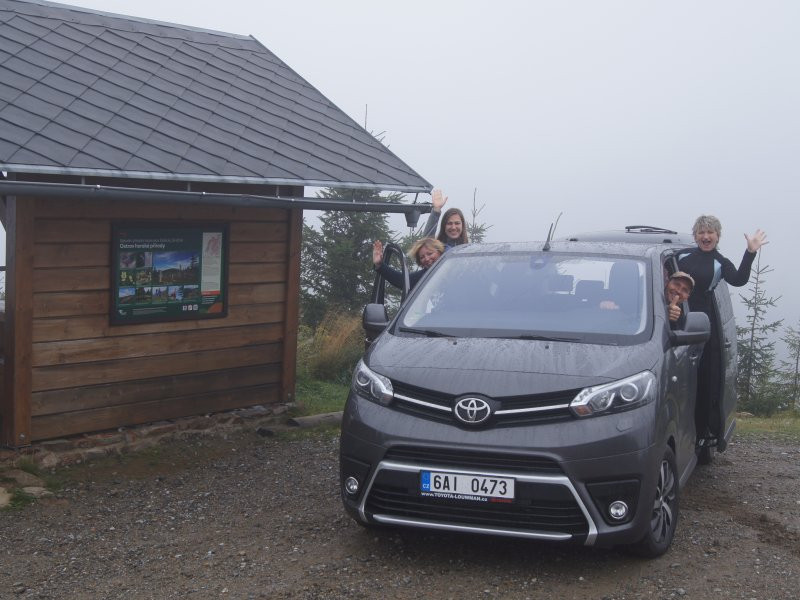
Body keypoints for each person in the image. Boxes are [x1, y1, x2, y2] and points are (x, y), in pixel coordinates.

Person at [677, 215, 768, 449]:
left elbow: (739, 279)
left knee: (705, 381)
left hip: (705, 325)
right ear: (695, 235)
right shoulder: (681, 256)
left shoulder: (719, 262)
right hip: (677, 318)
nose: (705, 237)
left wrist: (750, 252)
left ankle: (702, 432)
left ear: (718, 236)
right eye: (701, 232)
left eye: (711, 233)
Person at [373, 237, 444, 290]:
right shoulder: (424, 275)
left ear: (439, 252)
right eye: (422, 257)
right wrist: (379, 264)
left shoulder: (453, 269)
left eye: (430, 253)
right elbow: (401, 281)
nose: (427, 259)